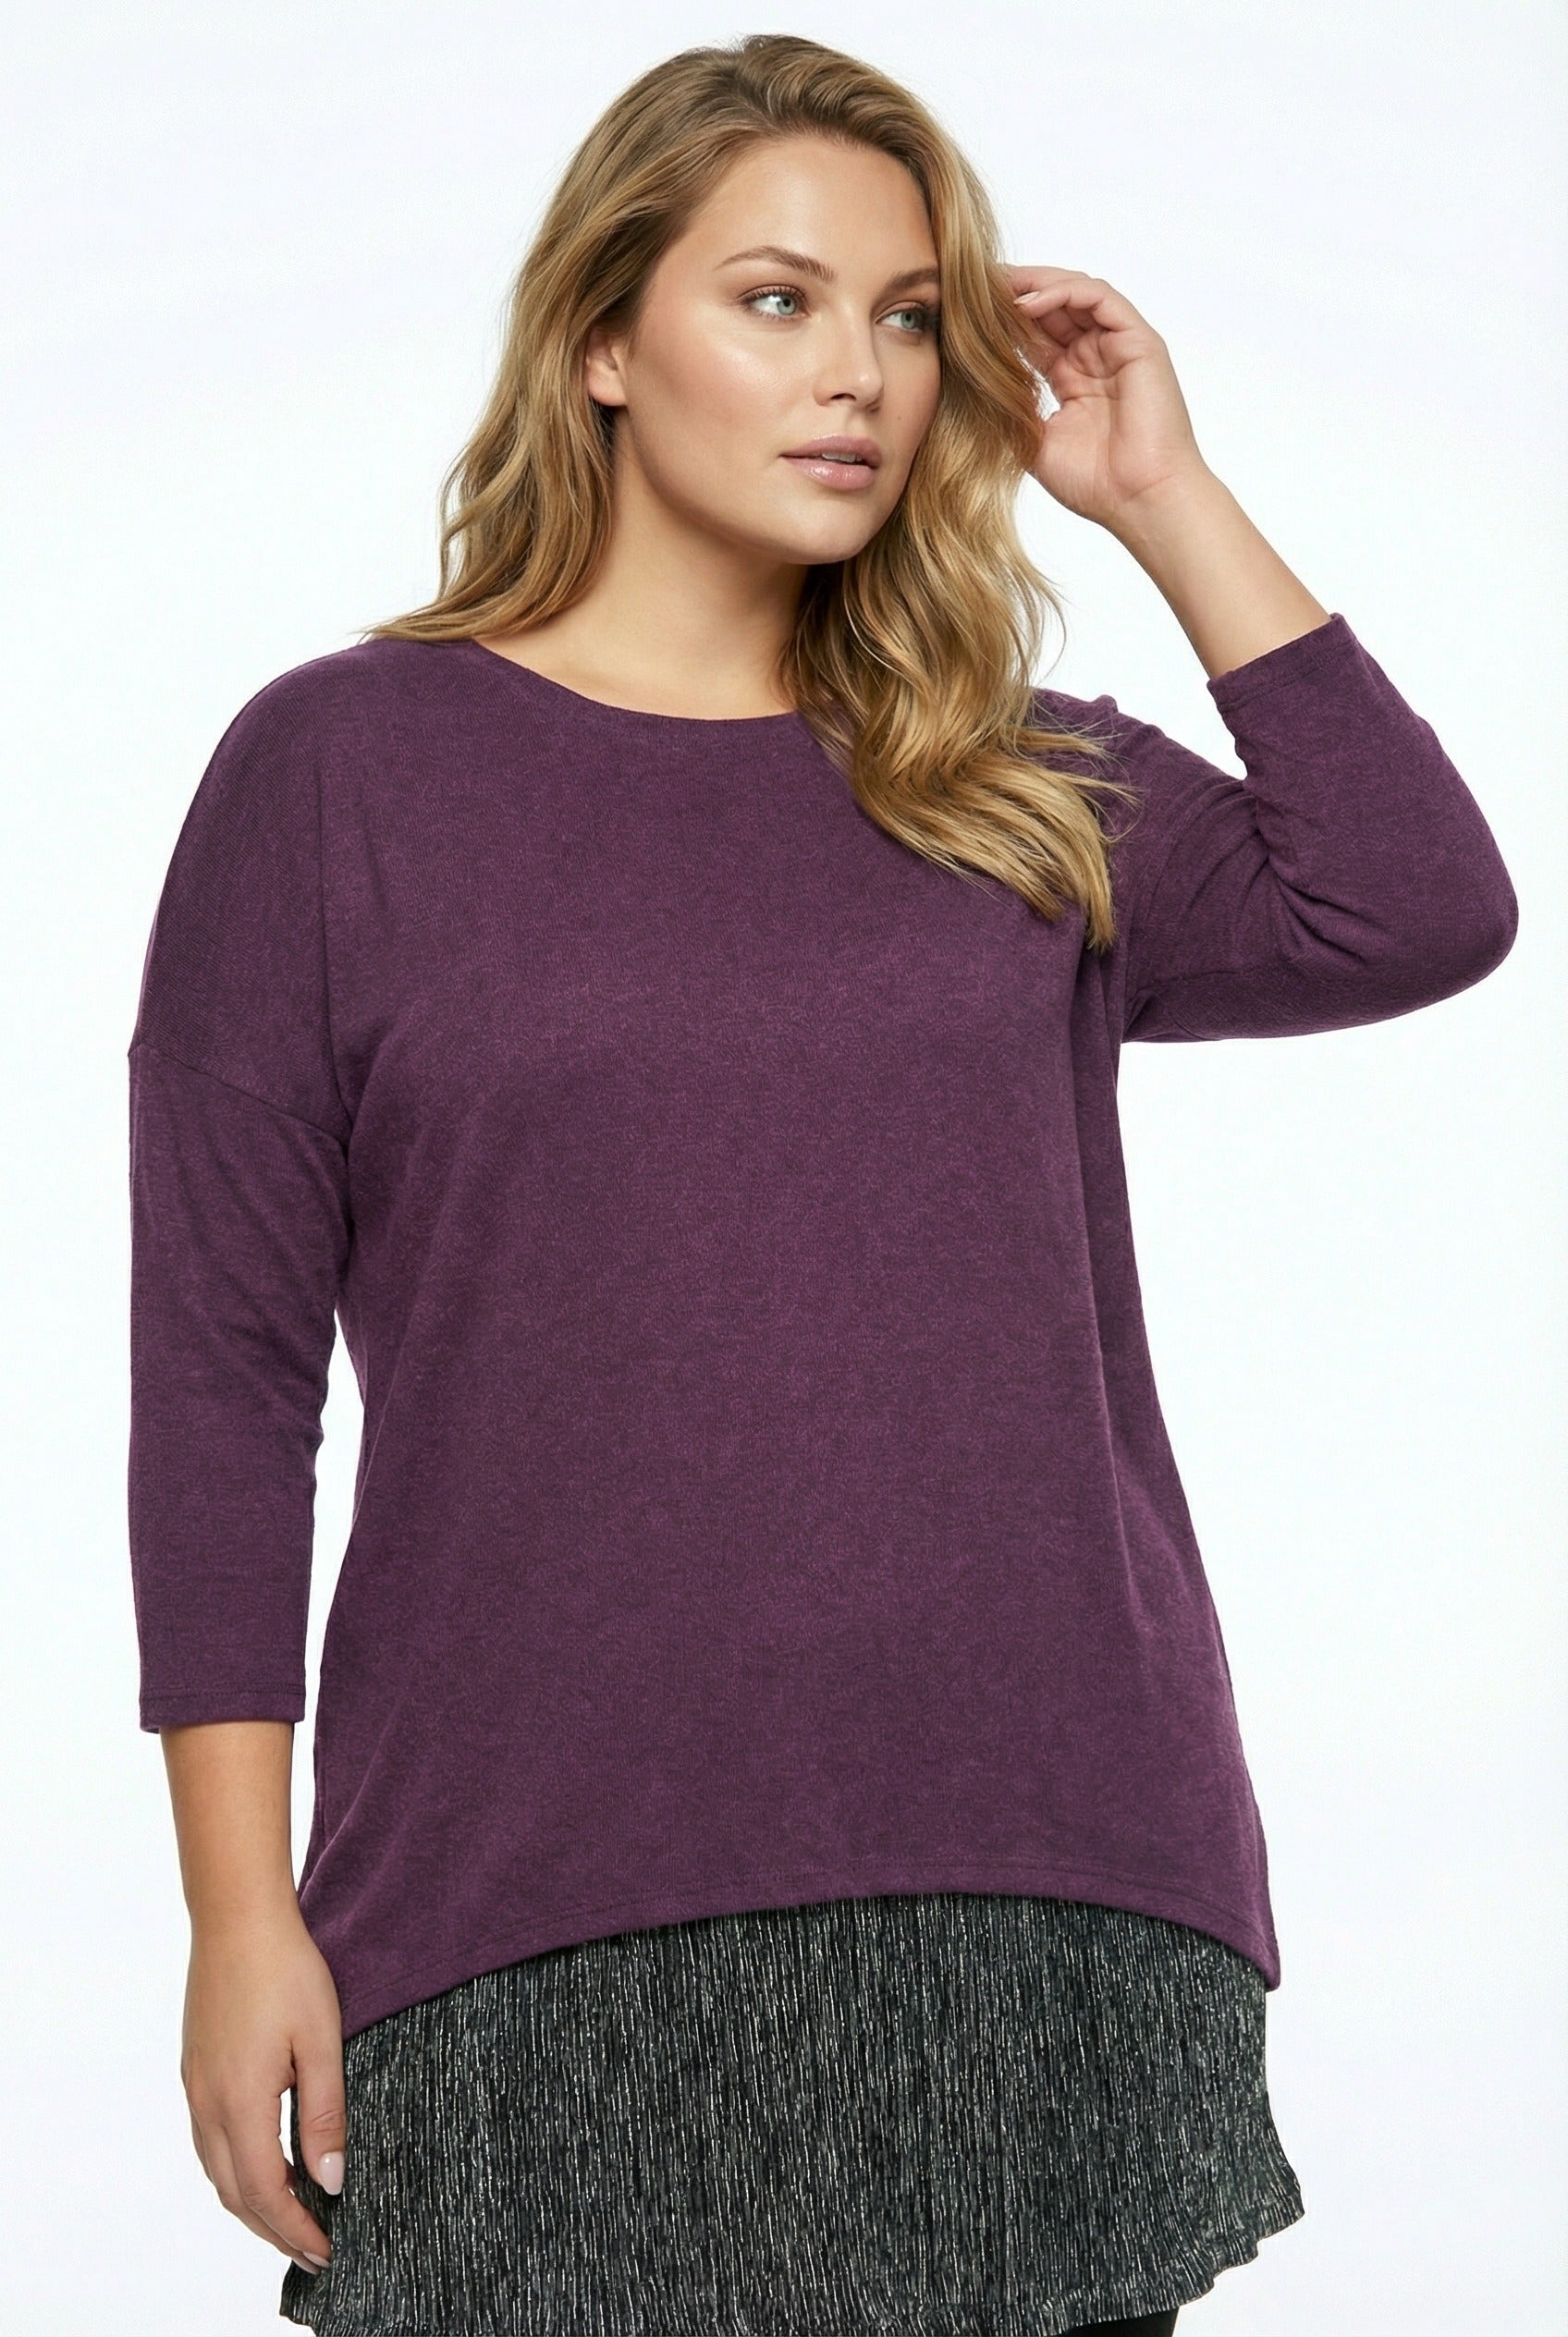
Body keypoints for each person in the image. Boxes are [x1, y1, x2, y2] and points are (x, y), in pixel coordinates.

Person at [125, 32, 1518, 2337]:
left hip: (1036, 1879)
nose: (855, 373)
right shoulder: (340, 775)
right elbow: (219, 1384)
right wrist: (234, 1907)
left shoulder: (1008, 778)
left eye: (904, 316)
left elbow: (1411, 904)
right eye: (773, 301)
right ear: (601, 338)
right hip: (523, 1907)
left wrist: (1159, 493)